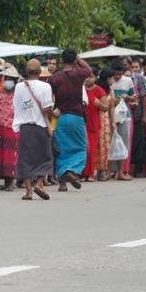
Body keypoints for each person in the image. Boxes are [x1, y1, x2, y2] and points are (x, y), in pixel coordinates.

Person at [48, 49, 92, 191]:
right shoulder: (79, 74)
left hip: (60, 117)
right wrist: (78, 59)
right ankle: (71, 171)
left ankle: (62, 183)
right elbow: (89, 69)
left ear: (61, 61)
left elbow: (48, 98)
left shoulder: (54, 78)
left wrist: (52, 112)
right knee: (80, 147)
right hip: (76, 117)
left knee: (61, 149)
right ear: (74, 61)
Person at [12, 59, 54, 200]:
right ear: (40, 72)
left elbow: (15, 106)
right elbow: (47, 107)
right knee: (45, 156)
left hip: (25, 126)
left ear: (26, 71)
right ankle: (40, 184)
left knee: (25, 158)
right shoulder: (46, 86)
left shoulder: (18, 87)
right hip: (41, 125)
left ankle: (28, 191)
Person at [0, 65, 20, 191]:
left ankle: (11, 181)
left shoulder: (18, 93)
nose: (8, 80)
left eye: (11, 78)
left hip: (12, 127)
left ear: (15, 80)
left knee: (11, 155)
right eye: (7, 78)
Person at [111, 61, 135, 180]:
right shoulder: (108, 80)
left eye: (120, 74)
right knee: (110, 143)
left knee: (123, 143)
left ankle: (120, 172)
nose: (118, 77)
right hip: (110, 115)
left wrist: (127, 97)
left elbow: (134, 98)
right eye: (116, 75)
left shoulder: (128, 81)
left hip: (125, 115)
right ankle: (110, 171)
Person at [83, 67, 108, 181]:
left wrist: (99, 104)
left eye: (91, 77)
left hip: (93, 122)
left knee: (92, 149)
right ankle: (81, 173)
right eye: (86, 77)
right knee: (83, 148)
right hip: (81, 121)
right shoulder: (81, 89)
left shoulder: (99, 90)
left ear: (95, 77)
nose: (88, 79)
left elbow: (105, 107)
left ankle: (90, 174)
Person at [96, 69, 117, 181]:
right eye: (112, 78)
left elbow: (112, 107)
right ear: (108, 78)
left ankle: (104, 170)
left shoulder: (111, 91)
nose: (114, 80)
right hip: (96, 118)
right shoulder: (96, 89)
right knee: (97, 144)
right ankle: (96, 170)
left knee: (105, 145)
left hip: (105, 120)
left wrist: (113, 121)